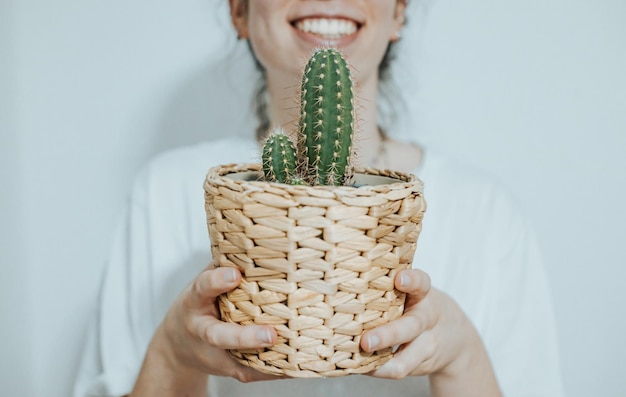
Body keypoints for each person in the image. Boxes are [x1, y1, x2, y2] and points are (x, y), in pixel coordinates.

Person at [74, 1, 564, 396]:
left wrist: (462, 357)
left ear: (399, 10)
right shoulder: (165, 192)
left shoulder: (488, 212)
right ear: (238, 11)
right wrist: (173, 352)